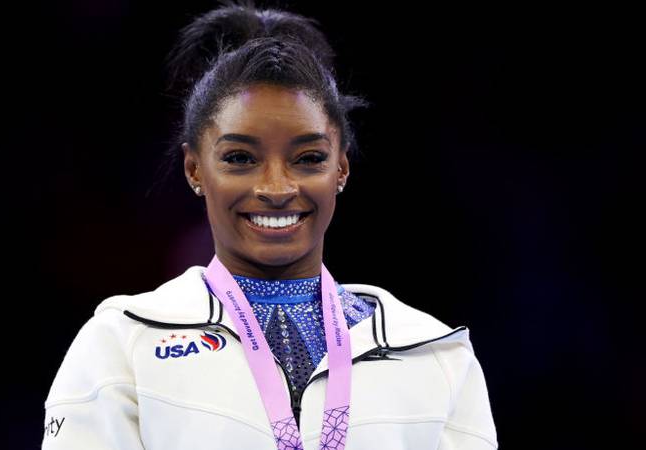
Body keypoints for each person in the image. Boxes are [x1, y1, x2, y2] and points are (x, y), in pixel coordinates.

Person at [41, 1, 498, 449]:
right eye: (241, 158)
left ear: (340, 169)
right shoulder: (123, 345)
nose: (276, 187)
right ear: (195, 170)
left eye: (308, 158)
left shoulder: (435, 354)